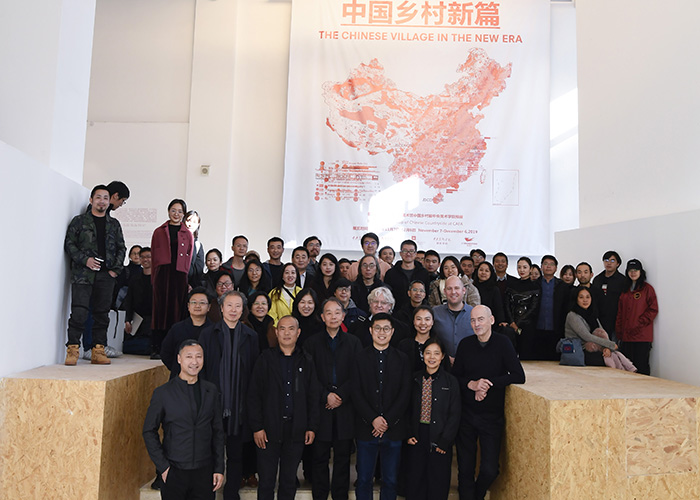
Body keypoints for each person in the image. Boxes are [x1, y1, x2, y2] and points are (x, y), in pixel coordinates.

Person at [452, 305, 525, 500]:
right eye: (473, 320)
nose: (476, 324)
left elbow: (518, 375)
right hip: (466, 416)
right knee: (465, 469)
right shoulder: (465, 345)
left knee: (490, 469)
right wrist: (472, 384)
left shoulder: (503, 343)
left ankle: (477, 495)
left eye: (481, 319)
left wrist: (487, 384)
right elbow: (455, 377)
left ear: (491, 320)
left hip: (491, 417)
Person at [248, 315, 320, 500]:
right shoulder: (265, 359)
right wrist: (257, 427)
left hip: (296, 430)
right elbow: (254, 395)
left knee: (288, 481)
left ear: (298, 332)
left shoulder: (306, 360)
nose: (286, 333)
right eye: (282, 329)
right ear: (276, 332)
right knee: (266, 481)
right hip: (268, 430)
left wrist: (311, 426)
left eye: (291, 329)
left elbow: (313, 396)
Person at [143, 339, 225, 500]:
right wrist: (163, 467)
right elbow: (148, 431)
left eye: (199, 356)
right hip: (174, 470)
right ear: (179, 359)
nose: (194, 362)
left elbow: (218, 431)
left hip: (204, 471)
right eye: (189, 357)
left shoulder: (211, 390)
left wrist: (219, 468)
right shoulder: (163, 393)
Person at [199, 291, 259, 500]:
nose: (233, 310)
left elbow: (254, 373)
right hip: (213, 404)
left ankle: (231, 494)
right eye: (229, 305)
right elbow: (202, 370)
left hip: (239, 406)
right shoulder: (208, 334)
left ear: (243, 310)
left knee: (236, 454)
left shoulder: (251, 336)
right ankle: (208, 494)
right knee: (211, 453)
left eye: (238, 306)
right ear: (221, 308)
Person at [305, 298, 362, 500]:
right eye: (328, 313)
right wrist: (325, 395)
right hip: (321, 408)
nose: (333, 317)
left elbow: (358, 374)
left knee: (342, 457)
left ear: (343, 316)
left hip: (345, 407)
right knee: (319, 457)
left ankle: (340, 496)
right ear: (322, 317)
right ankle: (320, 495)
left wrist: (341, 395)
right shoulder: (311, 343)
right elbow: (309, 376)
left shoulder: (354, 343)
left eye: (337, 312)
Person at [64, 185, 125, 365]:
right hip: (83, 275)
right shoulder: (79, 221)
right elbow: (69, 244)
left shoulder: (114, 224)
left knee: (102, 315)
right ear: (91, 200)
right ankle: (73, 350)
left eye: (105, 198)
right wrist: (86, 260)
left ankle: (98, 350)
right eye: (98, 197)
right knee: (79, 312)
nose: (102, 201)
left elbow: (121, 248)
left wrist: (115, 270)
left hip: (106, 276)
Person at [352, 313, 410, 500]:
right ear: (371, 331)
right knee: (364, 479)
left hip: (393, 429)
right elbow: (356, 392)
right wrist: (373, 419)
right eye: (377, 328)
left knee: (390, 480)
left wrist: (387, 421)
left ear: (392, 332)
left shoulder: (402, 359)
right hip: (366, 428)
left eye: (386, 329)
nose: (381, 332)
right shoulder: (359, 358)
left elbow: (405, 393)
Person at [405, 337, 461, 500]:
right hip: (417, 436)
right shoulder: (414, 379)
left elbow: (455, 414)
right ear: (423, 355)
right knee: (416, 481)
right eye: (428, 353)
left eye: (436, 353)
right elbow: (406, 409)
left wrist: (445, 441)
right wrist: (409, 433)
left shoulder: (451, 381)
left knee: (438, 482)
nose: (432, 357)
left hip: (440, 437)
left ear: (442, 356)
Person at [150, 198, 194, 359]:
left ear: (184, 214)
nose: (176, 214)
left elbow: (189, 257)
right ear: (168, 211)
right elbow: (154, 256)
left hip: (179, 274)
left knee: (176, 309)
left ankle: (175, 346)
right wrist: (154, 279)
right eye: (173, 210)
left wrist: (186, 277)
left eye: (180, 211)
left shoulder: (188, 234)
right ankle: (156, 347)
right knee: (160, 310)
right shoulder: (159, 231)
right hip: (162, 273)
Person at [565, 287, 636, 371]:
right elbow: (586, 336)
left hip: (594, 349)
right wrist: (610, 344)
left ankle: (625, 371)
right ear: (576, 299)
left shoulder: (592, 314)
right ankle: (626, 370)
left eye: (588, 297)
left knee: (610, 353)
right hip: (579, 351)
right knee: (611, 356)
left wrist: (607, 348)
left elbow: (602, 332)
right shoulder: (572, 315)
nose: (585, 300)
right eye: (581, 297)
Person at [616, 259, 659, 375]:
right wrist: (619, 331)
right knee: (627, 367)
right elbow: (620, 312)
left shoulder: (647, 289)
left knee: (641, 366)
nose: (633, 273)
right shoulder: (625, 290)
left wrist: (639, 322)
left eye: (636, 270)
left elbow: (653, 309)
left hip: (641, 336)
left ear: (641, 272)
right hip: (626, 337)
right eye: (630, 270)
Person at [160, 287, 213, 378]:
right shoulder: (177, 329)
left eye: (202, 303)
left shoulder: (215, 330)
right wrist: (178, 368)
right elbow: (165, 353)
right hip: (180, 378)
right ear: (188, 306)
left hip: (207, 380)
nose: (197, 306)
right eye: (194, 302)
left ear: (209, 307)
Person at [532, 255, 568, 361]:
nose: (548, 266)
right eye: (546, 264)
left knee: (554, 361)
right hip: (536, 329)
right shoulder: (534, 284)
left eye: (552, 264)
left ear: (556, 268)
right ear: (541, 267)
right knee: (537, 361)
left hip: (556, 329)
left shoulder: (562, 286)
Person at [431, 276, 475, 361]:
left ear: (464, 290)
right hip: (441, 363)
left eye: (457, 288)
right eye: (449, 288)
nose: (453, 292)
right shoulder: (435, 313)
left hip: (469, 362)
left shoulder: (474, 313)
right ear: (444, 291)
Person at [504, 257, 540, 358]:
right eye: (519, 267)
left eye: (525, 267)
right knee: (510, 354)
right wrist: (512, 322)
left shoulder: (535, 286)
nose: (521, 270)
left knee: (526, 355)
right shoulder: (512, 284)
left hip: (528, 325)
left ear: (530, 269)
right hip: (511, 325)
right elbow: (507, 305)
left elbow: (533, 308)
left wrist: (518, 324)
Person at [384, 239, 431, 310]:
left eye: (411, 251)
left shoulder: (424, 273)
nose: (408, 254)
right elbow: (387, 296)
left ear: (415, 254)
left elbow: (426, 295)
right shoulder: (391, 273)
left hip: (419, 312)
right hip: (397, 313)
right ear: (400, 253)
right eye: (405, 251)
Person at [123, 246, 153, 355]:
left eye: (148, 257)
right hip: (138, 321)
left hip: (154, 321)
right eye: (142, 257)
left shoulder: (160, 279)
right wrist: (127, 320)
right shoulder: (135, 279)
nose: (145, 259)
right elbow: (129, 300)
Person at [592, 250, 627, 342]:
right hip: (600, 321)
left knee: (615, 347)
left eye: (612, 261)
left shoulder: (623, 280)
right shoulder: (597, 279)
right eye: (606, 260)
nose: (609, 263)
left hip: (616, 321)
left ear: (618, 264)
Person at [398, 305, 439, 373]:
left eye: (427, 319)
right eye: (419, 319)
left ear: (432, 322)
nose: (423, 323)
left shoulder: (438, 345)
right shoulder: (404, 345)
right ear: (414, 321)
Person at [185, 210, 205, 289]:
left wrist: (191, 285)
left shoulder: (197, 245)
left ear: (198, 224)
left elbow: (198, 270)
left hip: (191, 287)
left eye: (194, 222)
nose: (190, 224)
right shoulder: (176, 242)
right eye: (188, 220)